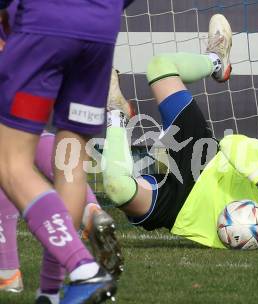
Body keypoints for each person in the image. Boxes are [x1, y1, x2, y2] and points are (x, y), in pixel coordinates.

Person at [102, 14, 258, 251]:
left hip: (183, 211)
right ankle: (215, 60)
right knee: (160, 67)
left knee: (118, 189)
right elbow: (232, 144)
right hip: (204, 159)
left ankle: (117, 113)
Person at [0, 0, 133, 302]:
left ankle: (83, 268)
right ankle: (50, 293)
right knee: (71, 169)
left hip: (42, 28)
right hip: (99, 29)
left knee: (9, 162)